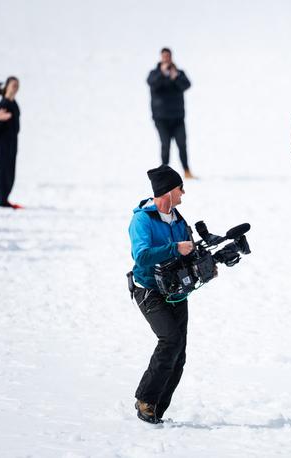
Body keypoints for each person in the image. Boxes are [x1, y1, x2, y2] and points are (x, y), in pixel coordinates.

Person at [128, 165, 193, 424]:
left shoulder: (178, 218)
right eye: (180, 188)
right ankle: (145, 399)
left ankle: (156, 410)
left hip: (176, 291)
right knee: (170, 341)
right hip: (148, 290)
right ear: (167, 192)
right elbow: (141, 256)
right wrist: (175, 248)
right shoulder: (142, 220)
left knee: (180, 353)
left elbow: (189, 251)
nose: (183, 193)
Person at [147, 48, 194, 179]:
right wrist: (162, 73)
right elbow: (152, 84)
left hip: (178, 117)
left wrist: (176, 77)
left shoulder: (178, 73)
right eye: (164, 56)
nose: (167, 58)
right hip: (161, 118)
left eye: (168, 56)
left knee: (182, 144)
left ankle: (187, 171)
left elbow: (187, 85)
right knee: (165, 145)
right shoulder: (154, 73)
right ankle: (164, 174)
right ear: (161, 57)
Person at [0, 77, 20, 207]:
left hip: (12, 142)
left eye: (17, 85)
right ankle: (1, 199)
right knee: (3, 170)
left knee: (10, 170)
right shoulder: (4, 103)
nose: (15, 88)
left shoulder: (14, 103)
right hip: (3, 142)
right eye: (13, 85)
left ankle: (4, 197)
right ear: (7, 86)